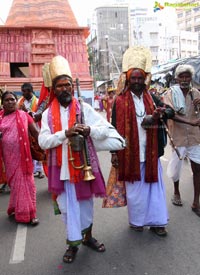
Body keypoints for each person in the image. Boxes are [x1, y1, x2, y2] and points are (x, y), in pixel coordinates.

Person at [38, 55, 125, 263]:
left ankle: (87, 238)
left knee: (85, 206)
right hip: (61, 171)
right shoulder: (47, 114)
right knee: (68, 209)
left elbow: (105, 129)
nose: (65, 89)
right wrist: (64, 134)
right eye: (60, 86)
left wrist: (89, 129)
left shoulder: (84, 109)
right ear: (53, 90)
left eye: (68, 84)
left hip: (83, 167)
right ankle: (72, 244)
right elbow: (43, 141)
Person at [111, 46, 175, 237]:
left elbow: (170, 111)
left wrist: (159, 114)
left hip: (151, 152)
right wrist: (114, 153)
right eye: (134, 78)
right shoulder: (119, 101)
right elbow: (113, 127)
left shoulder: (152, 98)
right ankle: (137, 221)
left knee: (155, 189)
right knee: (135, 192)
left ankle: (157, 222)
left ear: (145, 78)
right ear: (128, 79)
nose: (137, 82)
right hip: (130, 155)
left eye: (140, 78)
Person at [163, 64, 200, 216]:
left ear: (191, 78)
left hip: (194, 137)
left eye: (187, 76)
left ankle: (196, 202)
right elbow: (169, 113)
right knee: (176, 170)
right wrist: (189, 122)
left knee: (197, 169)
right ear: (177, 78)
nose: (185, 79)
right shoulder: (170, 93)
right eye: (182, 76)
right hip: (177, 137)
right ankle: (176, 192)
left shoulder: (196, 93)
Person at [0, 91, 39, 225]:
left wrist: (46, 146)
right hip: (8, 158)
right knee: (16, 185)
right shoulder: (0, 118)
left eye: (13, 99)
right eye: (7, 100)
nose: (10, 102)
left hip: (23, 157)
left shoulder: (24, 115)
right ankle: (18, 208)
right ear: (2, 103)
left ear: (16, 101)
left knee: (28, 184)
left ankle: (31, 213)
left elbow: (35, 132)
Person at [18, 83, 45, 179]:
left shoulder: (37, 102)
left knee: (38, 146)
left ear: (30, 91)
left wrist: (27, 111)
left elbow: (38, 116)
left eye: (24, 91)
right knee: (30, 148)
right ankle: (33, 170)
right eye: (22, 91)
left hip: (36, 127)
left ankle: (40, 170)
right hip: (25, 128)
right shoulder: (20, 101)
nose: (23, 93)